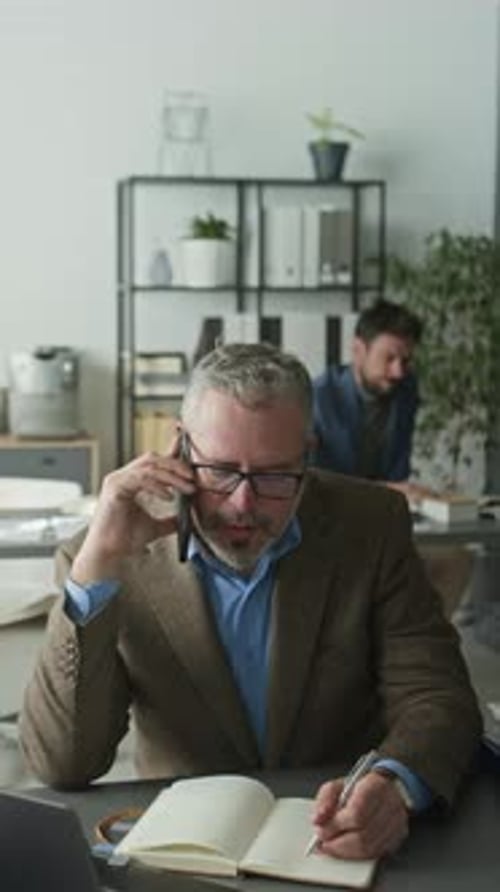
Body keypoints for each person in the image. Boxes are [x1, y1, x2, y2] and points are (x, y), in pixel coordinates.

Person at [20, 342, 481, 862]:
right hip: (187, 849)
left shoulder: (372, 525)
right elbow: (63, 763)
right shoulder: (105, 549)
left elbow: (437, 695)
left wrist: (394, 786)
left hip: (334, 841)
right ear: (180, 448)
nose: (243, 504)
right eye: (219, 470)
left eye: (274, 476)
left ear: (308, 453)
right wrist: (97, 567)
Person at [312, 298, 429, 501]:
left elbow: (399, 470)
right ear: (359, 350)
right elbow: (315, 483)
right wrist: (388, 489)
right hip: (330, 515)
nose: (398, 372)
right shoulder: (320, 397)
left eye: (406, 360)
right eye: (389, 358)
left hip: (385, 513)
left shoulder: (406, 390)